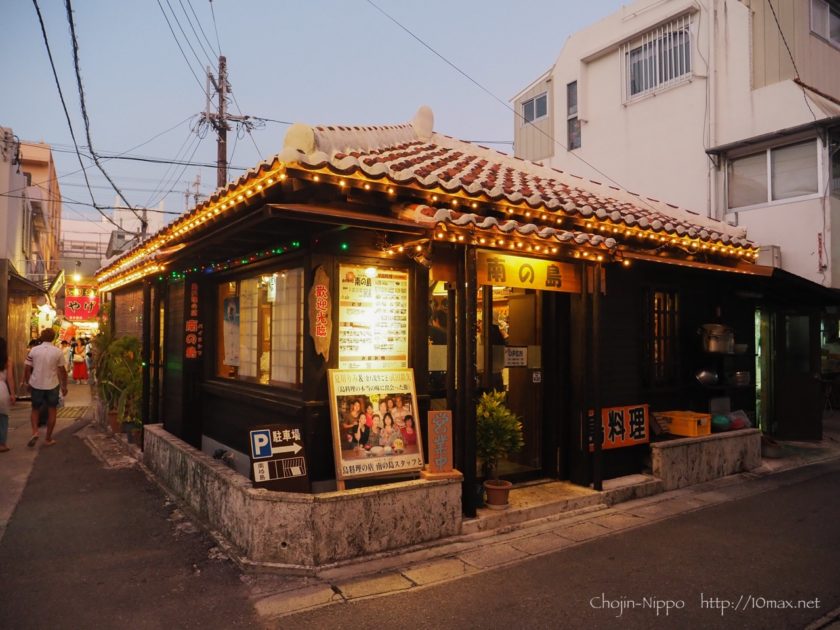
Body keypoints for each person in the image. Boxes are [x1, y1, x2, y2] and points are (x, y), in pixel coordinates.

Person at [23, 328, 68, 447]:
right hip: (52, 385)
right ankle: (48, 438)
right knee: (52, 410)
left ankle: (35, 432)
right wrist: (64, 386)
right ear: (53, 338)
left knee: (35, 409)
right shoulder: (57, 352)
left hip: (36, 384)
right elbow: (63, 371)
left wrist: (28, 383)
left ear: (41, 337)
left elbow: (27, 369)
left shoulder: (34, 350)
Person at [0, 337, 16, 452]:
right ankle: (2, 444)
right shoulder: (7, 360)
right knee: (3, 418)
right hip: (2, 389)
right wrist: (13, 394)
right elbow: (10, 378)